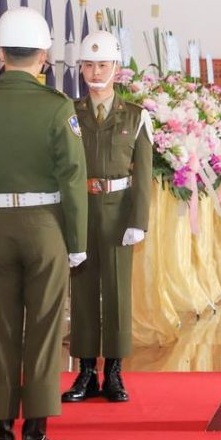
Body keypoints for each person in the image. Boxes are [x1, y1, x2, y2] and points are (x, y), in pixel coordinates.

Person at [0, 7, 88, 440]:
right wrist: (77, 242)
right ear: (45, 55)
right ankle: (36, 439)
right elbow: (73, 177)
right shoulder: (57, 106)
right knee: (45, 333)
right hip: (45, 226)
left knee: (0, 333)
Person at [61, 31, 153, 404]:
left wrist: (139, 220)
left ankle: (114, 371)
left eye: (103, 64)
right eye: (89, 64)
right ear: (80, 68)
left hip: (117, 213)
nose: (95, 72)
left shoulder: (135, 115)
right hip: (80, 210)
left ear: (117, 68)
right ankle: (85, 371)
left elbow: (143, 173)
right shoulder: (69, 113)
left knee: (116, 291)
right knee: (82, 291)